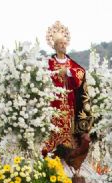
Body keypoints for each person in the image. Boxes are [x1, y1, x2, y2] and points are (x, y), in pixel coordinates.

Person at [42, 21, 90, 166]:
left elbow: (81, 73)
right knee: (53, 132)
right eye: (60, 43)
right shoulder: (48, 63)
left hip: (70, 106)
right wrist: (56, 73)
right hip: (53, 107)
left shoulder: (71, 64)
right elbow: (43, 76)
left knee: (69, 134)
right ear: (54, 46)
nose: (63, 45)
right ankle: (51, 160)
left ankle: (70, 162)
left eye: (64, 43)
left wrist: (68, 72)